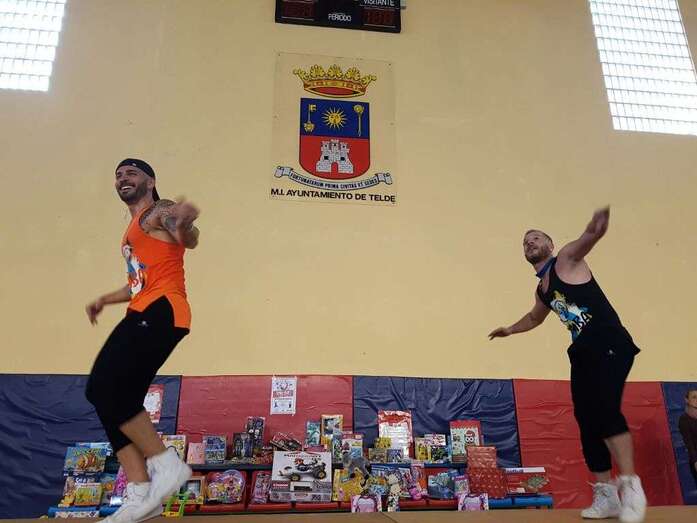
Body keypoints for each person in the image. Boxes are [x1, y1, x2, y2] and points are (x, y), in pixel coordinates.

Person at [489, 206, 646, 523]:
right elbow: (534, 318)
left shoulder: (566, 259)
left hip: (609, 340)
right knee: (587, 421)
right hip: (583, 350)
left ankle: (631, 486)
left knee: (605, 411)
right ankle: (606, 496)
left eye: (535, 238)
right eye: (525, 242)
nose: (529, 242)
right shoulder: (542, 288)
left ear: (550, 244)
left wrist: (596, 228)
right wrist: (509, 329)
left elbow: (587, 239)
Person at [85, 158, 200, 522]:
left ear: (150, 182)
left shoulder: (155, 212)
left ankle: (166, 465)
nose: (123, 178)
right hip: (144, 307)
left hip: (162, 309)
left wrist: (184, 224)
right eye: (118, 174)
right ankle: (139, 492)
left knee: (106, 387)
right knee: (103, 395)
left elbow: (182, 230)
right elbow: (138, 282)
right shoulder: (133, 230)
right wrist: (105, 299)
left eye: (131, 173)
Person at [678, 388, 697, 489]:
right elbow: (689, 443)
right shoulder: (684, 419)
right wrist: (695, 461)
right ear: (687, 400)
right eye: (694, 397)